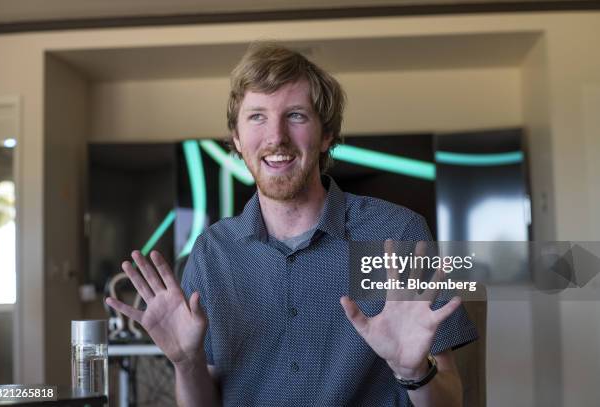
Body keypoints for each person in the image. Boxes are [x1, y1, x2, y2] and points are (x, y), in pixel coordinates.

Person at [106, 42, 478, 406]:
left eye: (296, 115)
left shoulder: (397, 235)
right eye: (257, 117)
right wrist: (187, 365)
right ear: (236, 138)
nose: (276, 137)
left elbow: (451, 399)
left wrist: (412, 371)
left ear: (326, 134)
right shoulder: (211, 253)